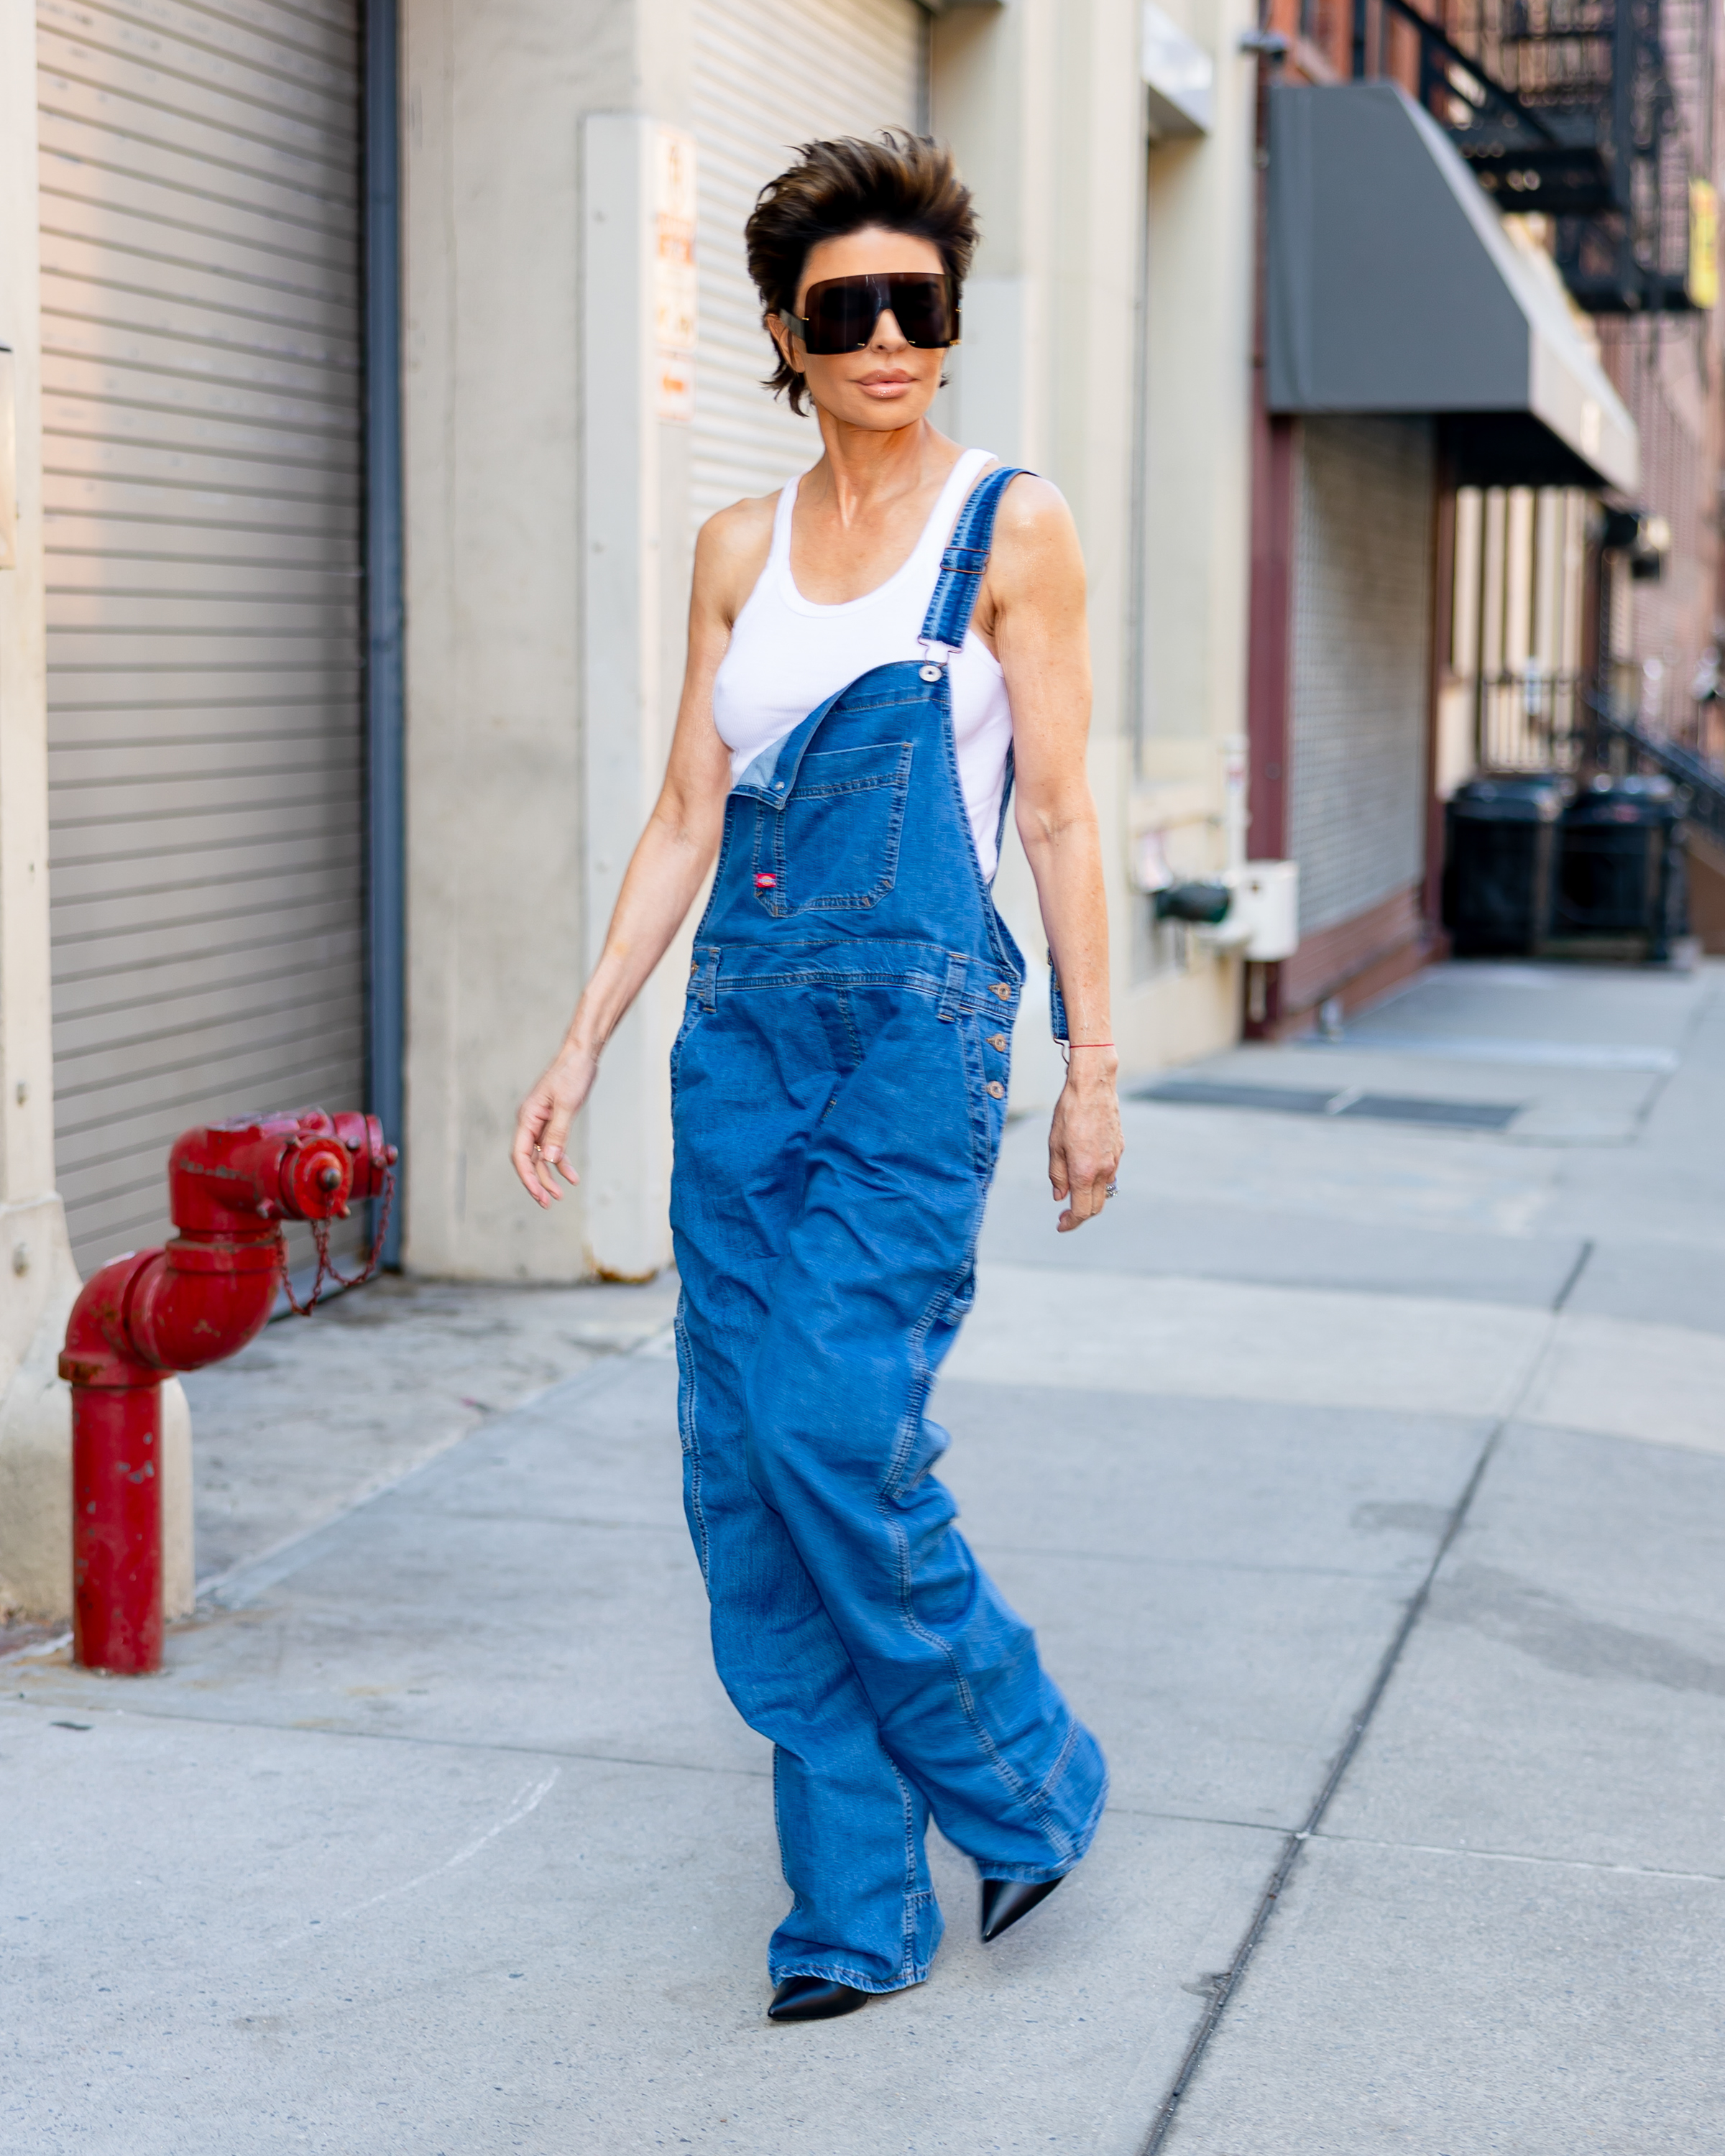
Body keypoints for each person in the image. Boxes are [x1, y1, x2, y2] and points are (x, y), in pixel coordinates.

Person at [512, 130, 1123, 2023]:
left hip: (913, 1039)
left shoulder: (1009, 526)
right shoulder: (732, 551)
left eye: (917, 307)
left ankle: (1028, 1782)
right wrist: (582, 1034)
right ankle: (855, 1912)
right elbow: (687, 816)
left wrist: (1096, 1065)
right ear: (789, 328)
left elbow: (1069, 817)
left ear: (948, 324)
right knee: (744, 1475)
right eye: (844, 308)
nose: (885, 339)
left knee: (832, 1427)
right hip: (741, 1038)